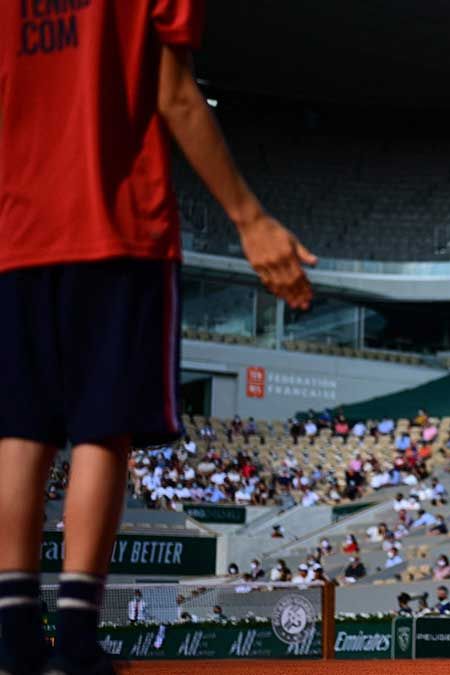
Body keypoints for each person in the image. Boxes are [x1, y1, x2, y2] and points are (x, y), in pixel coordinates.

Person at [0, 3, 318, 673]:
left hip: (18, 228)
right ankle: (78, 637)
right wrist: (249, 217)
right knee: (102, 428)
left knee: (22, 429)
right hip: (117, 223)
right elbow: (172, 91)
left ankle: (15, 632)